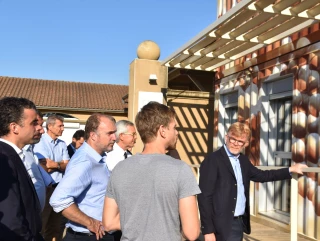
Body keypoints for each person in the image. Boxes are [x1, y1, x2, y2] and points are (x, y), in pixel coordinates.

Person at [102, 101, 201, 241]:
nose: (177, 133)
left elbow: (108, 223)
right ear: (162, 130)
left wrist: (139, 220)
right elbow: (192, 232)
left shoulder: (120, 168)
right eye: (174, 127)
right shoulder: (180, 169)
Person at [197, 122, 308, 241]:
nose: (235, 144)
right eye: (232, 139)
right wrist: (208, 230)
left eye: (240, 141)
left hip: (238, 223)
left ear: (246, 144)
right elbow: (204, 197)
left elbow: (263, 175)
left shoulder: (243, 161)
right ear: (226, 137)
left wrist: (290, 170)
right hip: (220, 224)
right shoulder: (212, 160)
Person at [50, 113, 117, 241]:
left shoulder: (96, 158)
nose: (114, 137)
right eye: (110, 133)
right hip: (87, 236)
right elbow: (58, 200)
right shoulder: (84, 161)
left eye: (115, 133)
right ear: (93, 135)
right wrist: (90, 223)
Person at [0, 97, 44, 241]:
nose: (40, 129)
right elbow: (11, 219)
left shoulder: (13, 154)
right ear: (14, 127)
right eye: (33, 123)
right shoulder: (4, 159)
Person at [33, 114, 70, 241]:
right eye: (60, 125)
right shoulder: (40, 142)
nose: (63, 128)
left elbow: (68, 166)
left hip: (59, 189)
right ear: (50, 126)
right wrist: (61, 164)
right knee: (42, 225)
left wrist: (55, 164)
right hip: (46, 189)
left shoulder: (62, 144)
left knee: (56, 227)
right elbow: (45, 167)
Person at [23, 110, 54, 211]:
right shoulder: (10, 154)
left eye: (41, 125)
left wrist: (47, 181)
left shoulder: (30, 150)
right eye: (35, 124)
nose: (42, 130)